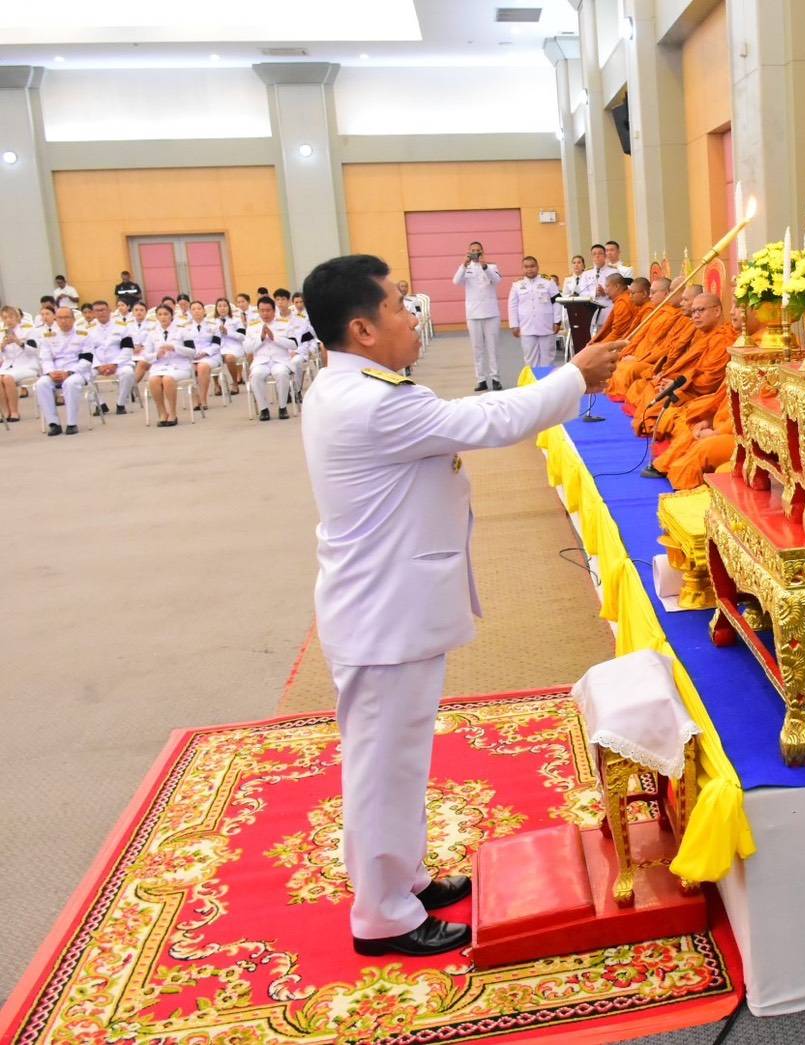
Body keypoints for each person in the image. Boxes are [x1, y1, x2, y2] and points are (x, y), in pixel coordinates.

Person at [297, 252, 622, 957]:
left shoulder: (353, 386)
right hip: (384, 612)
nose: (412, 315)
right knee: (384, 763)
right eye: (396, 306)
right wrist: (576, 374)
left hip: (386, 604)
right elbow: (487, 419)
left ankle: (404, 876)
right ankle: (382, 914)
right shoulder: (374, 402)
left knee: (399, 757)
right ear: (361, 329)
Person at [630, 292, 735, 437]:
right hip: (685, 385)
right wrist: (671, 377)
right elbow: (683, 359)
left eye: (700, 310)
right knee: (648, 387)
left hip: (699, 394)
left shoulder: (724, 338)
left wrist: (677, 385)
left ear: (717, 311)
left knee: (658, 400)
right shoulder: (703, 334)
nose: (695, 316)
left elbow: (709, 381)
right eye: (693, 312)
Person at [452, 240, 502, 391]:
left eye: (478, 250)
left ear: (482, 251)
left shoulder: (491, 266)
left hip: (491, 313)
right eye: (472, 250)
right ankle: (481, 379)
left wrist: (484, 266)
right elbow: (456, 281)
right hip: (473, 313)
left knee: (492, 348)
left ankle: (495, 378)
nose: (475, 252)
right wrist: (464, 264)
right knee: (477, 349)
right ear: (468, 252)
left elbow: (497, 280)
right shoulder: (465, 268)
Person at [37, 305, 92, 435]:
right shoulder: (48, 336)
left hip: (77, 371)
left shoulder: (84, 334)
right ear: (55, 319)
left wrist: (69, 372)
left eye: (67, 317)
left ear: (73, 319)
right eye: (60, 318)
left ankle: (72, 423)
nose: (63, 321)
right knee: (41, 384)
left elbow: (87, 359)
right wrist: (51, 372)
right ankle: (53, 423)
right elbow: (45, 358)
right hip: (55, 372)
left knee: (70, 383)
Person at [245, 295, 297, 421]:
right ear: (258, 311)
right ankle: (264, 409)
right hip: (261, 361)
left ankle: (283, 407)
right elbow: (247, 349)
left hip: (280, 360)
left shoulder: (285, 323)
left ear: (274, 310)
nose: (265, 313)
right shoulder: (252, 326)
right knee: (256, 375)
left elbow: (294, 344)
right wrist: (261, 338)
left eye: (268, 310)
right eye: (262, 310)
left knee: (281, 373)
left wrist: (275, 338)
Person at [144, 303, 197, 427]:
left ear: (171, 315)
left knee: (168, 379)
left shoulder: (183, 331)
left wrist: (175, 347)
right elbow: (146, 355)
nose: (163, 317)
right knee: (153, 380)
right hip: (159, 366)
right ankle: (162, 413)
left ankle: (173, 413)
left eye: (166, 314)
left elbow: (192, 352)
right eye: (160, 314)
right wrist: (156, 355)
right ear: (156, 317)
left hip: (179, 366)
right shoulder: (152, 333)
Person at [507, 255, 561, 370]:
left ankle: (547, 385)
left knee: (548, 359)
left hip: (546, 326)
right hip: (527, 327)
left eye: (532, 266)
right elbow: (512, 305)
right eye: (526, 267)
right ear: (523, 268)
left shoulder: (548, 282)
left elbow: (557, 302)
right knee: (530, 360)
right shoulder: (517, 285)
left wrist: (557, 321)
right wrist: (514, 325)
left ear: (537, 267)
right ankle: (533, 385)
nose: (530, 269)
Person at [86, 299, 137, 415]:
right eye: (97, 311)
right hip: (97, 364)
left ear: (109, 311)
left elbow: (128, 348)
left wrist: (115, 364)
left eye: (103, 310)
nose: (100, 313)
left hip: (119, 363)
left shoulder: (122, 326)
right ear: (93, 313)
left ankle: (121, 403)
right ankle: (100, 404)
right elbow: (88, 351)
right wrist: (98, 366)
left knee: (128, 373)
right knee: (83, 374)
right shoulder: (88, 329)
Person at [0, 305, 41, 423]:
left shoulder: (29, 330)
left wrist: (18, 342)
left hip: (27, 365)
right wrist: (2, 347)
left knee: (7, 378)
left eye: (11, 317)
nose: (8, 320)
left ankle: (14, 412)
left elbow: (35, 351)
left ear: (17, 317)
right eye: (5, 318)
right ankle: (4, 412)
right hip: (8, 366)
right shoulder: (2, 333)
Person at [189, 300, 225, 410]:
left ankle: (203, 399)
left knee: (202, 366)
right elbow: (184, 345)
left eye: (199, 308)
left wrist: (205, 353)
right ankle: (195, 400)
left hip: (211, 356)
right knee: (190, 367)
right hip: (192, 357)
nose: (196, 311)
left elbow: (217, 344)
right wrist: (193, 355)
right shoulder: (185, 327)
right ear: (190, 312)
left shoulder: (214, 325)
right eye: (193, 309)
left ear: (204, 311)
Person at [588, 273, 639, 345]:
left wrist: (600, 346)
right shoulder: (622, 300)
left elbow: (617, 333)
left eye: (607, 286)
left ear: (617, 286)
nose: (605, 290)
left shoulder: (623, 303)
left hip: (625, 343)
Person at [214, 297, 247, 387]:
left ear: (229, 308)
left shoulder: (236, 320)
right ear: (216, 308)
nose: (222, 308)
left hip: (234, 348)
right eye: (219, 306)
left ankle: (235, 383)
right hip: (218, 349)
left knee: (230, 358)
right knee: (211, 358)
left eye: (225, 306)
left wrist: (227, 333)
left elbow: (242, 336)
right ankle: (216, 385)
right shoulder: (212, 322)